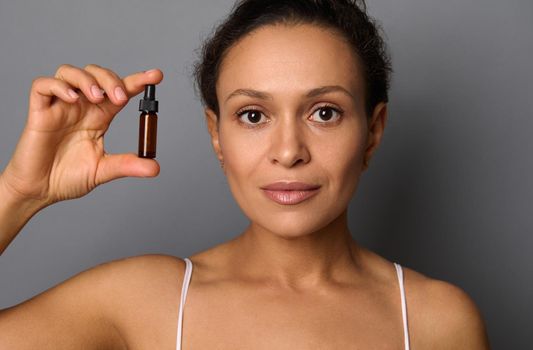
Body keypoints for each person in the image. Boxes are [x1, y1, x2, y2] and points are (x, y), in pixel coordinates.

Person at [0, 0, 491, 348]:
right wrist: (20, 192)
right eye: (254, 115)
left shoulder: (437, 322)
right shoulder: (144, 300)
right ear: (217, 135)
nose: (288, 152)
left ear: (373, 131)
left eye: (324, 112)